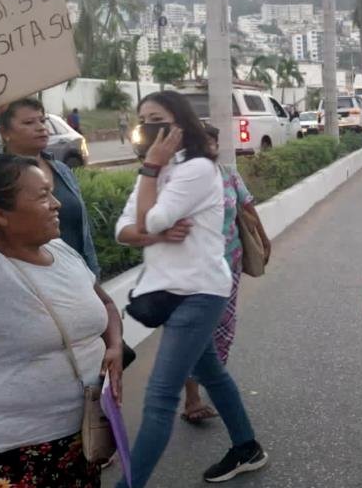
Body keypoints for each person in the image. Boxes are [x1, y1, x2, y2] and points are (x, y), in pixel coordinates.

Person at [0, 87, 123, 488]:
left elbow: (106, 305)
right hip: (14, 457)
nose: (56, 204)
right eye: (42, 196)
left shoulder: (62, 252)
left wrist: (112, 347)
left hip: (82, 442)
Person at [114, 91, 266, 487]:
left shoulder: (197, 169)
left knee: (160, 397)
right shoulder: (157, 172)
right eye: (143, 119)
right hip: (168, 292)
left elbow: (151, 218)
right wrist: (154, 235)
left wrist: (150, 216)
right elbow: (124, 230)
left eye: (157, 119)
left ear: (181, 123)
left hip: (198, 293)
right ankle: (247, 447)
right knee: (210, 371)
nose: (148, 127)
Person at [182, 124, 271, 424]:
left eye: (211, 142)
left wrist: (263, 238)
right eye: (201, 142)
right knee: (196, 332)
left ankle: (213, 380)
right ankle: (192, 399)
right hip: (195, 271)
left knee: (224, 329)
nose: (208, 148)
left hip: (229, 265)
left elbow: (247, 206)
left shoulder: (229, 173)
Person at [0, 98, 100, 277]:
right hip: (23, 282)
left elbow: (83, 230)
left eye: (42, 120)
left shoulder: (62, 171)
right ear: (5, 132)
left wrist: (93, 273)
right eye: (29, 122)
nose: (41, 127)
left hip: (78, 277)